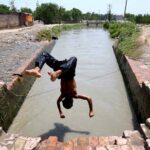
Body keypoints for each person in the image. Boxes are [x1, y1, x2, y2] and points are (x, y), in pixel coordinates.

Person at [25, 52, 94, 118]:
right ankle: (53, 72)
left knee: (45, 54)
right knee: (72, 59)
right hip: (64, 69)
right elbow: (89, 98)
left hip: (62, 70)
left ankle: (37, 69)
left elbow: (88, 98)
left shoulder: (66, 95)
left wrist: (60, 112)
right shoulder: (72, 95)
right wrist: (91, 111)